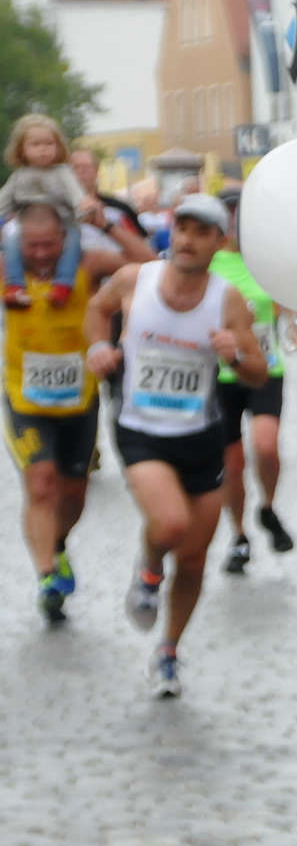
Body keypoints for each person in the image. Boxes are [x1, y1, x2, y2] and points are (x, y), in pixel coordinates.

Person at [84, 194, 268, 698]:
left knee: (191, 559)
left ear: (218, 242)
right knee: (170, 524)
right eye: (181, 228)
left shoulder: (226, 299)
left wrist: (235, 356)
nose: (187, 239)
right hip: (140, 429)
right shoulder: (134, 279)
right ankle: (147, 571)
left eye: (200, 232)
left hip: (201, 437)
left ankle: (168, 650)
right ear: (172, 232)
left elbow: (257, 370)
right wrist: (99, 346)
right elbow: (96, 311)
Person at [3, 206, 143, 621]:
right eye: (32, 246)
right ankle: (47, 574)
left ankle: (58, 544)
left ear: (64, 239)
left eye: (50, 244)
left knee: (74, 494)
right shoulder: (5, 268)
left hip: (79, 399)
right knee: (41, 482)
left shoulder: (89, 264)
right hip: (23, 401)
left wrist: (105, 225)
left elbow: (150, 266)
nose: (42, 253)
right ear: (17, 242)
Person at [210, 193, 295, 573]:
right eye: (226, 218)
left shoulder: (265, 259)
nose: (233, 225)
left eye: (238, 217)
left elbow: (286, 291)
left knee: (266, 446)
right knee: (232, 464)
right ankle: (239, 535)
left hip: (265, 367)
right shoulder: (209, 263)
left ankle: (268, 507)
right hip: (220, 372)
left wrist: (290, 320)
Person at [1, 115, 88, 309]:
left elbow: (77, 195)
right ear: (22, 150)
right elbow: (3, 200)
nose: (43, 149)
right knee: (10, 242)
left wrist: (83, 208)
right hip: (28, 229)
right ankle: (15, 285)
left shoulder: (62, 172)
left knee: (73, 242)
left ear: (58, 146)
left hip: (63, 226)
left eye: (49, 143)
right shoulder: (18, 177)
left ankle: (63, 283)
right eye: (36, 144)